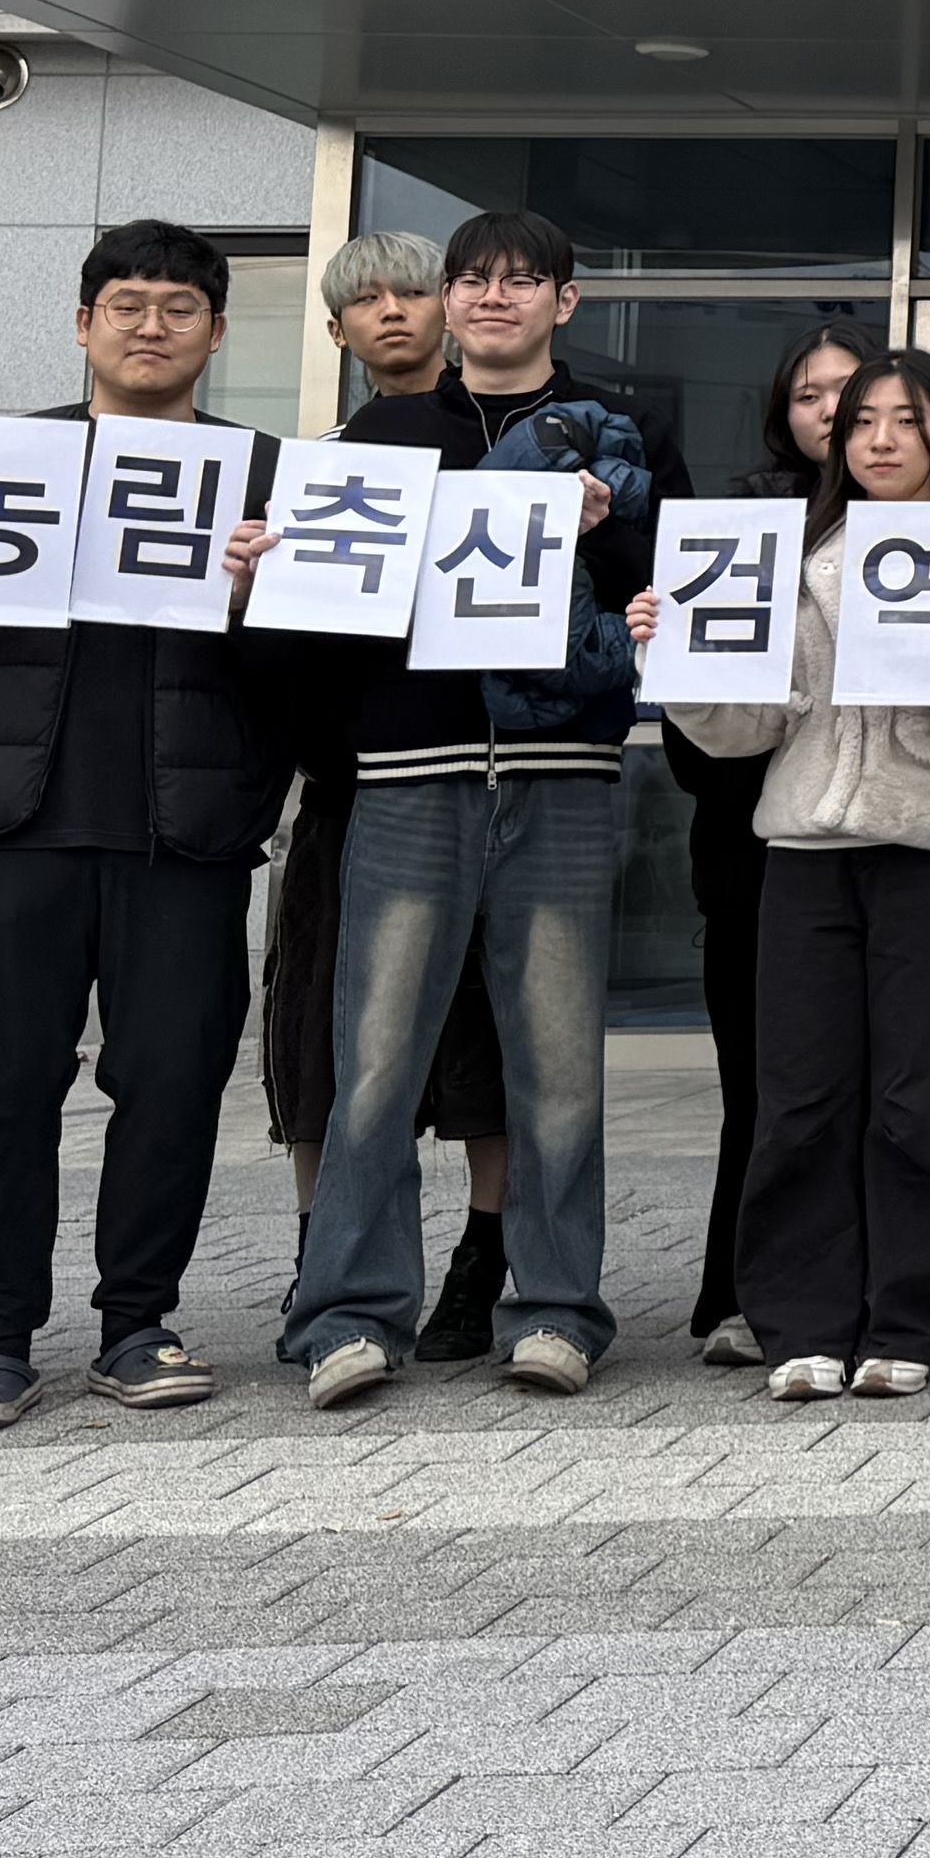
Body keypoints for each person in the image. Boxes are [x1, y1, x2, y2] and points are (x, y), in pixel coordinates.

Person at [0, 221, 300, 1431]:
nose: (149, 325)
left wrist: (275, 593)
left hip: (189, 828)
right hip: (12, 825)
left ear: (218, 331)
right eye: (125, 304)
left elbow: (320, 675)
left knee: (170, 1081)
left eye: (176, 307)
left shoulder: (272, 478)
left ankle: (137, 1325)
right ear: (82, 325)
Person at [282, 207, 669, 1409]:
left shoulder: (620, 433)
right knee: (375, 1059)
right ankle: (344, 1315)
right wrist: (271, 567)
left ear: (567, 300)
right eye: (473, 280)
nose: (493, 299)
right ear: (447, 301)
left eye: (524, 281)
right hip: (407, 767)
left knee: (558, 1065)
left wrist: (616, 555)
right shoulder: (382, 432)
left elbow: (683, 587)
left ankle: (557, 1309)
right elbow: (326, 619)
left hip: (561, 774)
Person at [664, 350, 930, 1401]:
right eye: (862, 423)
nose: (882, 439)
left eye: (907, 419)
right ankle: (799, 1319)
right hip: (805, 856)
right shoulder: (795, 549)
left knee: (919, 1101)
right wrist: (677, 662)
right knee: (800, 1098)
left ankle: (909, 1315)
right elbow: (742, 730)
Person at [259, 234, 514, 1355]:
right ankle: (326, 1250)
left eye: (414, 292)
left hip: (482, 774)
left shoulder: (509, 453)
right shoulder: (309, 468)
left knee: (482, 1032)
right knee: (322, 1028)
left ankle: (483, 1254)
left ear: (450, 312)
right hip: (346, 786)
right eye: (367, 301)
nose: (394, 313)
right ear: (337, 331)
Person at [655, 320, 864, 1370]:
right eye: (807, 395)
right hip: (752, 849)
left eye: (848, 389)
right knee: (766, 1085)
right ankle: (739, 1289)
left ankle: (866, 1284)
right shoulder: (742, 523)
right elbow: (701, 738)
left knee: (879, 1084)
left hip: (884, 844)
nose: (829, 410)